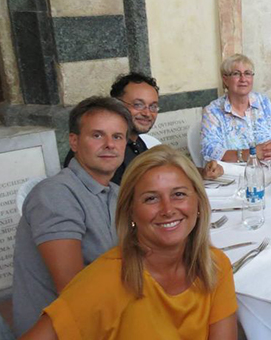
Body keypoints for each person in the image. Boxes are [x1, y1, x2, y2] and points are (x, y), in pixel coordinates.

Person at [20, 145, 238, 339]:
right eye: (151, 198)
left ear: (199, 203)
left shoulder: (214, 266)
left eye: (179, 194)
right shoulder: (106, 279)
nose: (168, 209)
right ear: (130, 211)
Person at [12, 97, 132, 336]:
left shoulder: (116, 193)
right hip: (63, 329)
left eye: (117, 137)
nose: (110, 144)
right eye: (97, 135)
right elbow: (73, 290)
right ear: (74, 142)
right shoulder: (55, 194)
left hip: (104, 311)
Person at [63, 73, 223, 181]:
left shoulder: (138, 143)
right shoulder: (102, 153)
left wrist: (203, 172)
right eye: (138, 105)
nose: (147, 113)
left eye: (153, 106)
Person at [201, 54, 271, 163]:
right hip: (236, 174)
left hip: (270, 166)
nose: (243, 79)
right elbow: (209, 151)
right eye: (236, 74)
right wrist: (250, 153)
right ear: (225, 79)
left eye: (247, 73)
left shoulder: (263, 102)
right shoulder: (212, 111)